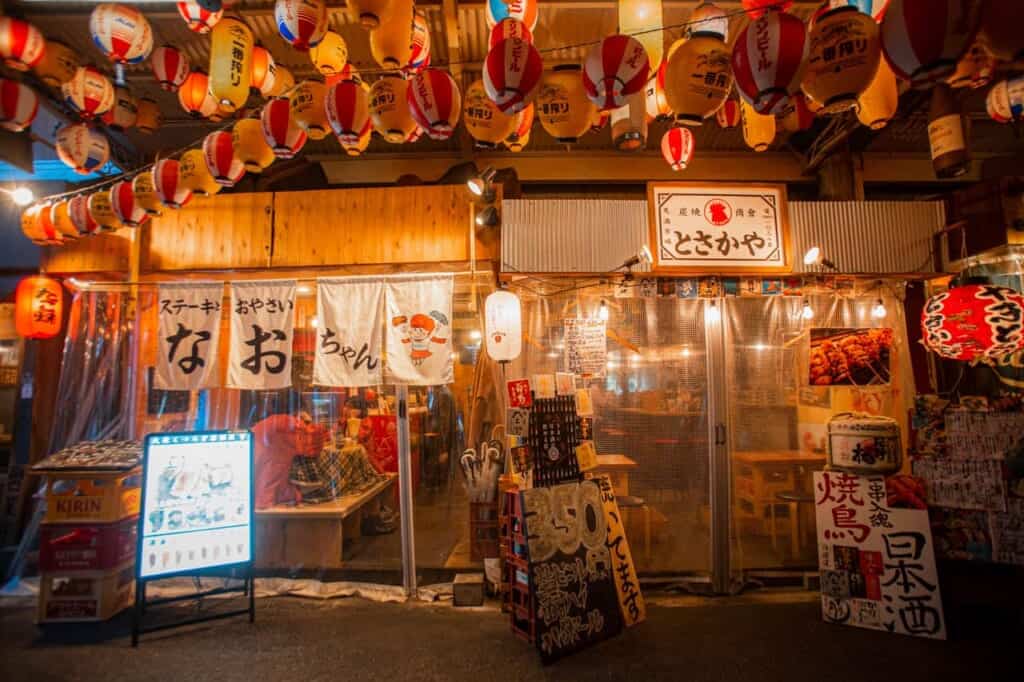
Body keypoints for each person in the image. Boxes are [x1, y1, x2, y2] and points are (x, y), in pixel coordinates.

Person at [251, 411, 331, 509]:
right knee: (268, 486)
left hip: (255, 453)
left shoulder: (267, 422)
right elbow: (310, 445)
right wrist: (323, 434)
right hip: (272, 465)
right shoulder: (291, 426)